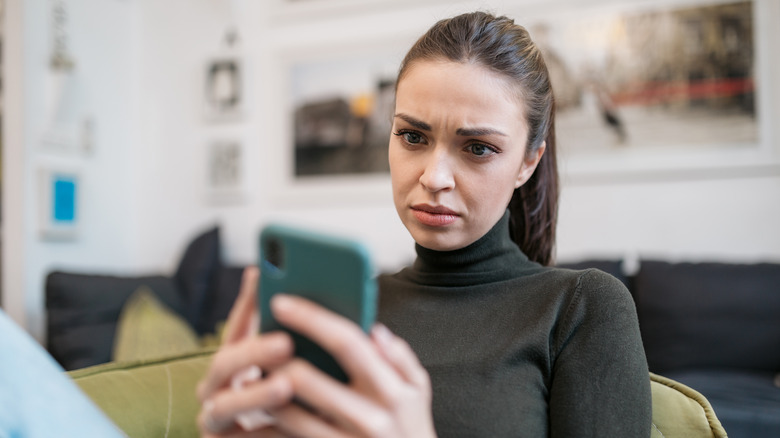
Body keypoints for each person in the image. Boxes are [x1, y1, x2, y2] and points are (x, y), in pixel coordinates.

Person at [196, 11, 652, 437]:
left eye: (477, 148)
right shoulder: (345, 313)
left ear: (528, 162)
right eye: (412, 137)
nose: (433, 178)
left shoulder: (580, 307)